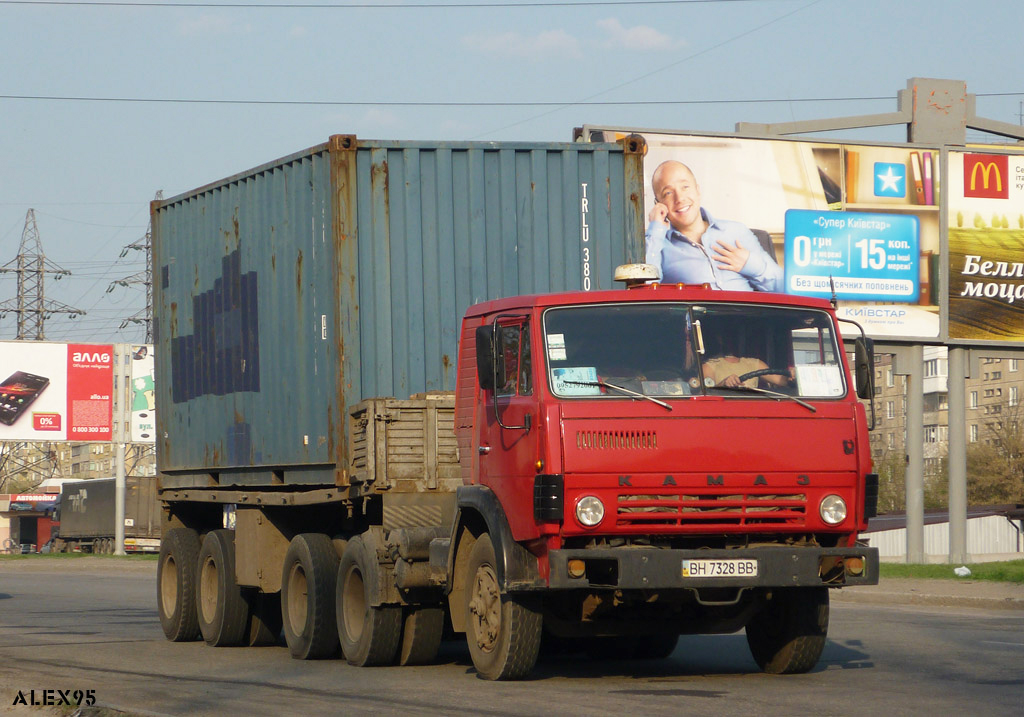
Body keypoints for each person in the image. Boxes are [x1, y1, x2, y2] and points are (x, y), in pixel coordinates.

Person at [645, 160, 783, 292]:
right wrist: (656, 228)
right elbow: (646, 291)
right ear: (658, 203)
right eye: (668, 193)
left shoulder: (737, 232)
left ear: (697, 190)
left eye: (685, 187)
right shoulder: (658, 245)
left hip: (749, 316)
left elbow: (784, 288)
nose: (679, 198)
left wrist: (750, 264)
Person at [702, 354, 793, 389]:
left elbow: (780, 381)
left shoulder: (755, 363)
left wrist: (794, 376)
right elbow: (707, 393)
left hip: (753, 411)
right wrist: (724, 384)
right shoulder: (709, 366)